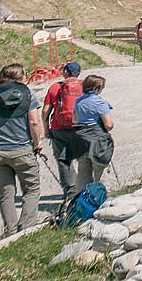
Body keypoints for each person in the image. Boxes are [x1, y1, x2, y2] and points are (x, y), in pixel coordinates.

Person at [0, 63, 45, 235]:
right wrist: (37, 142)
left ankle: (11, 228)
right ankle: (26, 228)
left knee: (6, 192)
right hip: (22, 148)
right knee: (31, 189)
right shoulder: (28, 96)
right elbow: (34, 122)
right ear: (20, 78)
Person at [43, 61, 87, 198]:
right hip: (80, 127)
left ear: (65, 73)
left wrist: (46, 129)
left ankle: (71, 191)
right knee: (83, 158)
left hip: (59, 128)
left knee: (63, 160)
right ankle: (85, 188)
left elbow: (45, 111)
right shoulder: (85, 86)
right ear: (78, 73)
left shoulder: (55, 87)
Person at [69, 74, 115, 190]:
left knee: (83, 172)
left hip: (81, 139)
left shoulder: (78, 101)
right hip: (97, 140)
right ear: (96, 88)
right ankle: (99, 197)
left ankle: (82, 199)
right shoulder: (100, 103)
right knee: (100, 170)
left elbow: (74, 120)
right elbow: (109, 125)